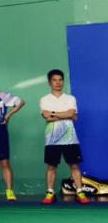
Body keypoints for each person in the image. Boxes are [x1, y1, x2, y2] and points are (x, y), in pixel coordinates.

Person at [39, 69, 89, 205]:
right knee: (51, 167)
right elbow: (47, 117)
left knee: (74, 166)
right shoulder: (44, 99)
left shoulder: (70, 98)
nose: (58, 83)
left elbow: (71, 114)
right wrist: (65, 115)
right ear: (49, 83)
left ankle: (80, 192)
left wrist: (54, 113)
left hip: (70, 138)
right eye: (54, 80)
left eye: (60, 80)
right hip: (52, 139)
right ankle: (50, 192)